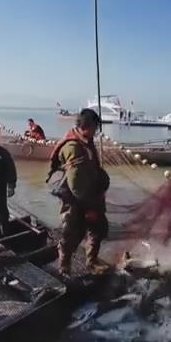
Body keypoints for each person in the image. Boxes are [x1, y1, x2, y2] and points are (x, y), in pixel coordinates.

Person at [48, 109, 110, 276]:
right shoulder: (73, 147)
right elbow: (75, 183)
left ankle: (91, 261)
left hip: (90, 193)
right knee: (72, 232)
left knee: (99, 228)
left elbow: (92, 169)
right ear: (85, 127)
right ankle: (64, 266)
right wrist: (89, 207)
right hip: (74, 198)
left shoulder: (86, 141)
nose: (96, 132)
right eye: (95, 128)